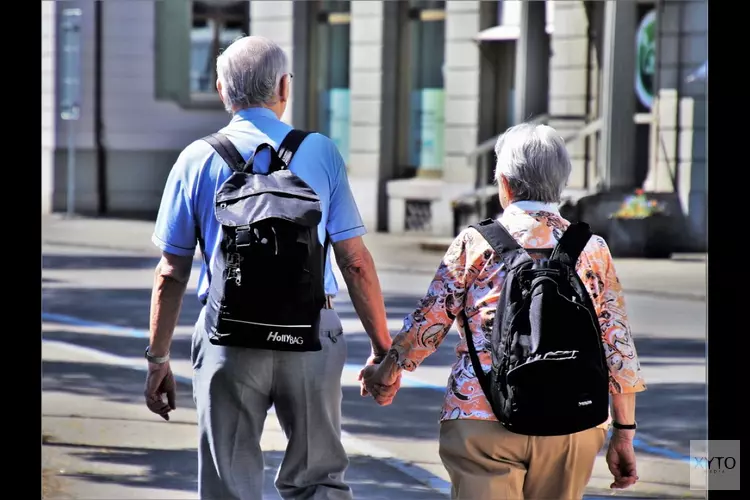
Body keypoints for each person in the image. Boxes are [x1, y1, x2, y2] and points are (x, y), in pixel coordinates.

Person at [143, 36, 393, 500]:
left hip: (228, 340)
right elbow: (355, 262)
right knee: (319, 479)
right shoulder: (320, 152)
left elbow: (171, 272)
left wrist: (158, 359)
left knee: (228, 484)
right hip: (312, 334)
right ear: (284, 86)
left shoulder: (195, 159)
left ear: (221, 89)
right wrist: (383, 349)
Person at [361, 123, 647, 500]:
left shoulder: (475, 243)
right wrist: (623, 432)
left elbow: (428, 324)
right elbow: (618, 345)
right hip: (572, 422)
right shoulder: (592, 248)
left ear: (505, 183)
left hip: (481, 416)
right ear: (561, 183)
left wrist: (387, 371)